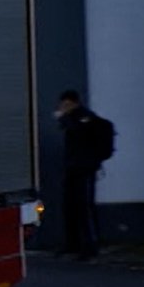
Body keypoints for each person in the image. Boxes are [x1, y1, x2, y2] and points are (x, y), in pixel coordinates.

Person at [53, 90, 110, 259]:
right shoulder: (74, 118)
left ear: (72, 103)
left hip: (85, 170)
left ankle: (90, 246)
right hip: (73, 169)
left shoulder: (86, 117)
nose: (62, 108)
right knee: (70, 207)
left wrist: (63, 117)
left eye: (64, 104)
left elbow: (78, 131)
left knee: (85, 208)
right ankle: (73, 244)